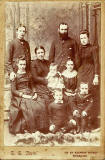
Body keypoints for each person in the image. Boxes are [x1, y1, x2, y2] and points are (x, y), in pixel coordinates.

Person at [9, 56, 49, 135]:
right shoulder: (14, 76)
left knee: (41, 104)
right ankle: (32, 129)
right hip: (19, 96)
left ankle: (42, 128)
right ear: (17, 65)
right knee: (29, 107)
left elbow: (32, 85)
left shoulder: (28, 74)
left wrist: (35, 93)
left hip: (29, 92)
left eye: (24, 64)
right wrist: (23, 95)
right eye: (21, 64)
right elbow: (13, 90)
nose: (22, 66)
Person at [77, 30, 100, 127]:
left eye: (84, 38)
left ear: (88, 38)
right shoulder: (80, 48)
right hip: (82, 72)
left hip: (91, 72)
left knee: (90, 94)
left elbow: (96, 63)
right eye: (81, 38)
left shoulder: (93, 48)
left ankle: (91, 121)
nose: (83, 40)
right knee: (81, 94)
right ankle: (81, 121)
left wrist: (96, 76)